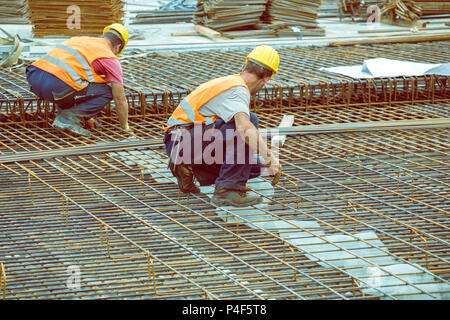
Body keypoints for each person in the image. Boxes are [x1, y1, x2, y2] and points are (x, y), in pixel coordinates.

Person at [163, 45, 282, 207]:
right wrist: (271, 159)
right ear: (267, 78)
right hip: (182, 141)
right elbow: (244, 128)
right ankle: (227, 191)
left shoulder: (231, 82)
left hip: (181, 142)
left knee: (254, 167)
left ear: (244, 67)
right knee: (249, 122)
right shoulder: (238, 90)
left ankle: (187, 167)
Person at [26, 23, 131, 137]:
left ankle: (68, 116)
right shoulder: (109, 58)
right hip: (56, 86)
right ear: (118, 47)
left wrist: (89, 117)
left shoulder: (80, 40)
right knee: (108, 91)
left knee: (76, 82)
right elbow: (120, 99)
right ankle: (68, 118)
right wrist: (125, 128)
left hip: (34, 79)